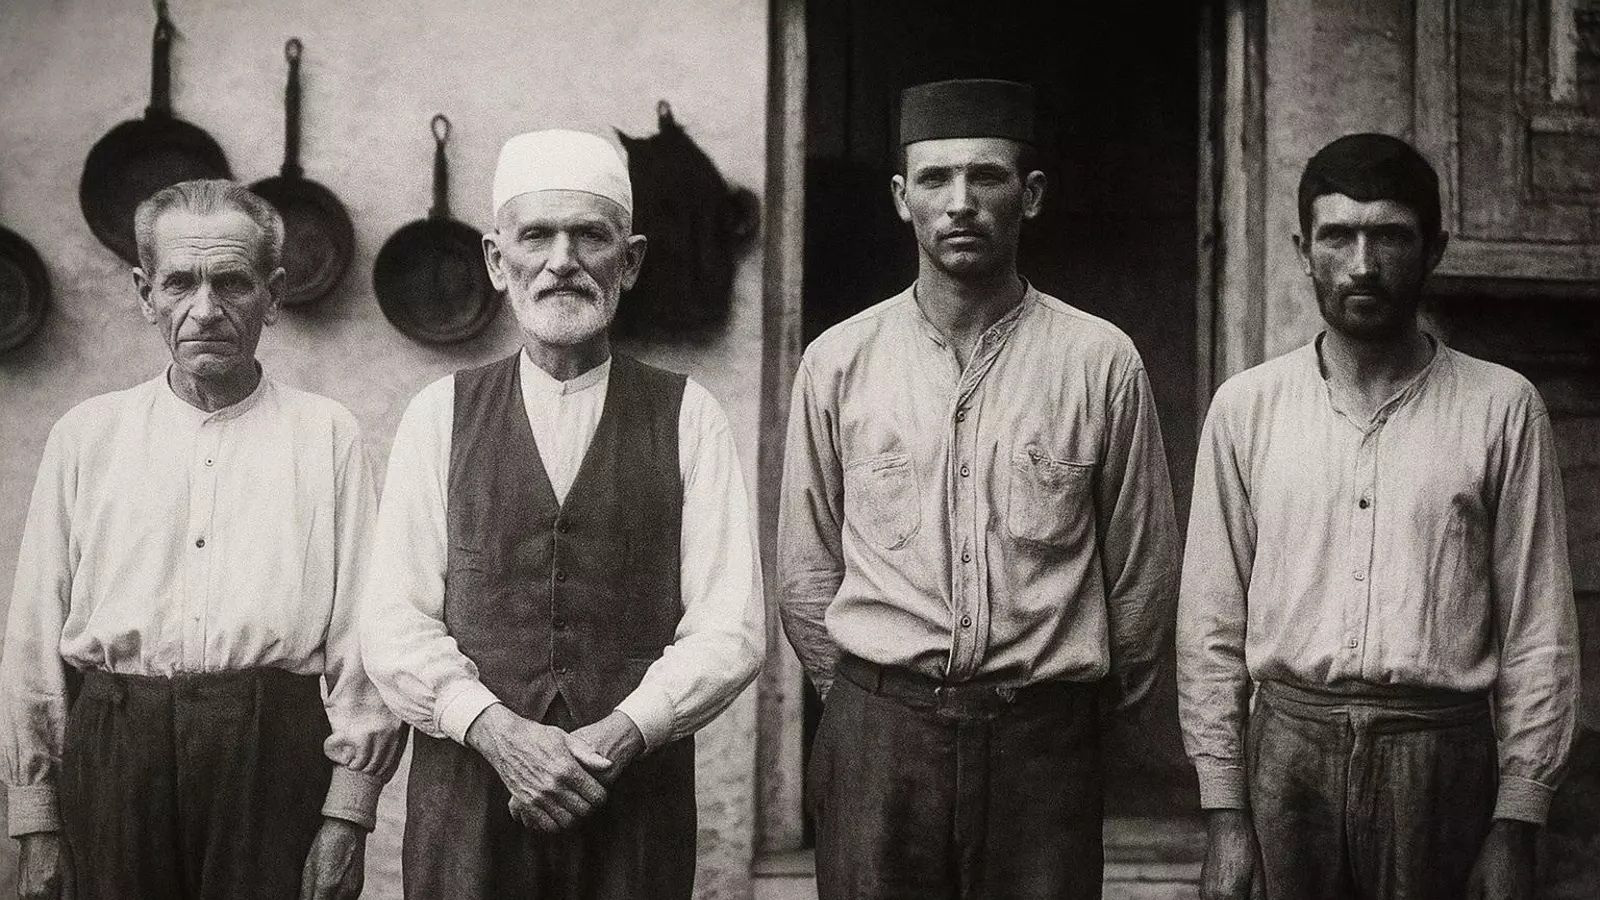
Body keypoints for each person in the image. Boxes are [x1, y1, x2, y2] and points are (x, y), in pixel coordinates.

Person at [777, 78, 1180, 899]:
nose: (959, 202)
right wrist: (873, 705)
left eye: (986, 177)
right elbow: (805, 572)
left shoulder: (1100, 362)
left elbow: (1142, 577)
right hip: (879, 741)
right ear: (902, 199)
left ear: (1029, 195)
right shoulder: (838, 363)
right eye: (934, 179)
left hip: (1043, 746)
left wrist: (1064, 719)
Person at [360, 129, 765, 900]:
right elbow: (392, 621)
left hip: (630, 800)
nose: (561, 262)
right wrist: (497, 732)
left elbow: (731, 627)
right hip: (471, 804)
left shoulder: (688, 416)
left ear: (632, 260)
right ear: (494, 260)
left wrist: (622, 733)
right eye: (536, 236)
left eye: (591, 236)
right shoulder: (439, 413)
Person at [1179, 132, 1579, 900]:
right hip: (1287, 761)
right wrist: (1226, 813)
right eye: (1337, 235)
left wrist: (1517, 820)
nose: (1362, 264)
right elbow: (1209, 625)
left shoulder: (1502, 408)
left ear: (1434, 249)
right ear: (1304, 248)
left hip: (1442, 762)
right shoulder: (1247, 408)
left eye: (1390, 235)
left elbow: (1539, 629)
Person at [0, 179, 406, 900]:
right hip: (113, 756)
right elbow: (32, 635)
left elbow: (361, 640)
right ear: (143, 292)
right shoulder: (87, 436)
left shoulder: (326, 435)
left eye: (233, 282)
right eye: (180, 283)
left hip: (271, 758)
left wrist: (350, 810)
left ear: (274, 294)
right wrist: (34, 814)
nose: (205, 309)